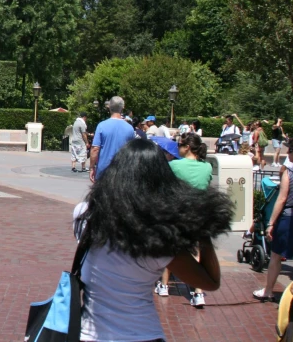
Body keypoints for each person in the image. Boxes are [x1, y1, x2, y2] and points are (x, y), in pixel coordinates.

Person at [79, 139, 233, 341]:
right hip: (142, 333)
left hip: (89, 334)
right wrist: (202, 228)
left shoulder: (85, 216)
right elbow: (210, 282)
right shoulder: (158, 239)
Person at [155, 133, 213, 308]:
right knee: (196, 252)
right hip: (198, 214)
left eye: (180, 145)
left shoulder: (174, 165)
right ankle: (198, 293)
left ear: (187, 147)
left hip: (177, 212)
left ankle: (164, 285)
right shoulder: (207, 167)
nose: (177, 148)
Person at [254, 146, 293, 301]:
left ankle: (268, 290)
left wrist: (271, 223)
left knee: (276, 255)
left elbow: (282, 198)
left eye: (289, 151)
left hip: (289, 217)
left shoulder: (289, 173)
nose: (287, 154)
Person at [89, 96, 135, 182]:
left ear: (109, 107)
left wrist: (92, 167)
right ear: (122, 108)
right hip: (122, 170)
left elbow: (95, 149)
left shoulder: (102, 126)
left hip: (104, 169)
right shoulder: (130, 128)